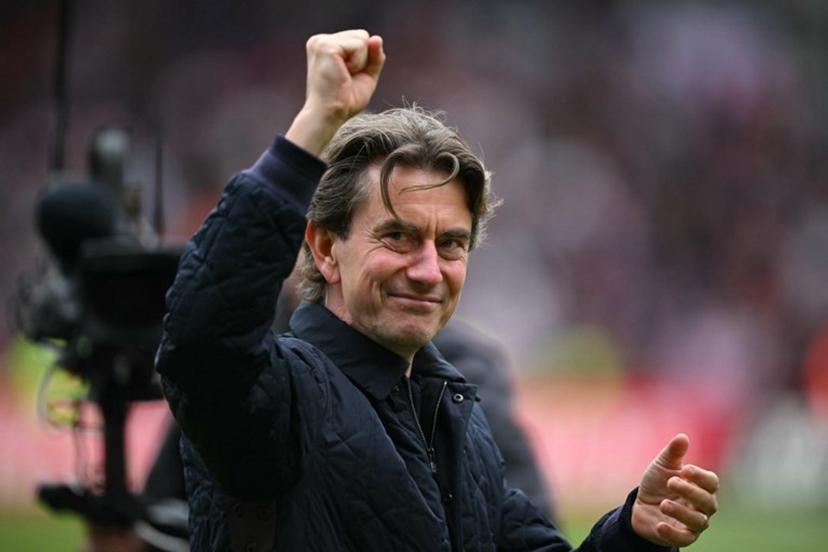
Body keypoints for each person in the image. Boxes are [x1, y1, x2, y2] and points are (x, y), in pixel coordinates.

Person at [156, 30, 719, 551]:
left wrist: (632, 532)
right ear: (326, 250)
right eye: (398, 236)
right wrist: (314, 125)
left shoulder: (458, 421)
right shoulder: (276, 395)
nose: (428, 270)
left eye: (450, 244)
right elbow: (204, 339)